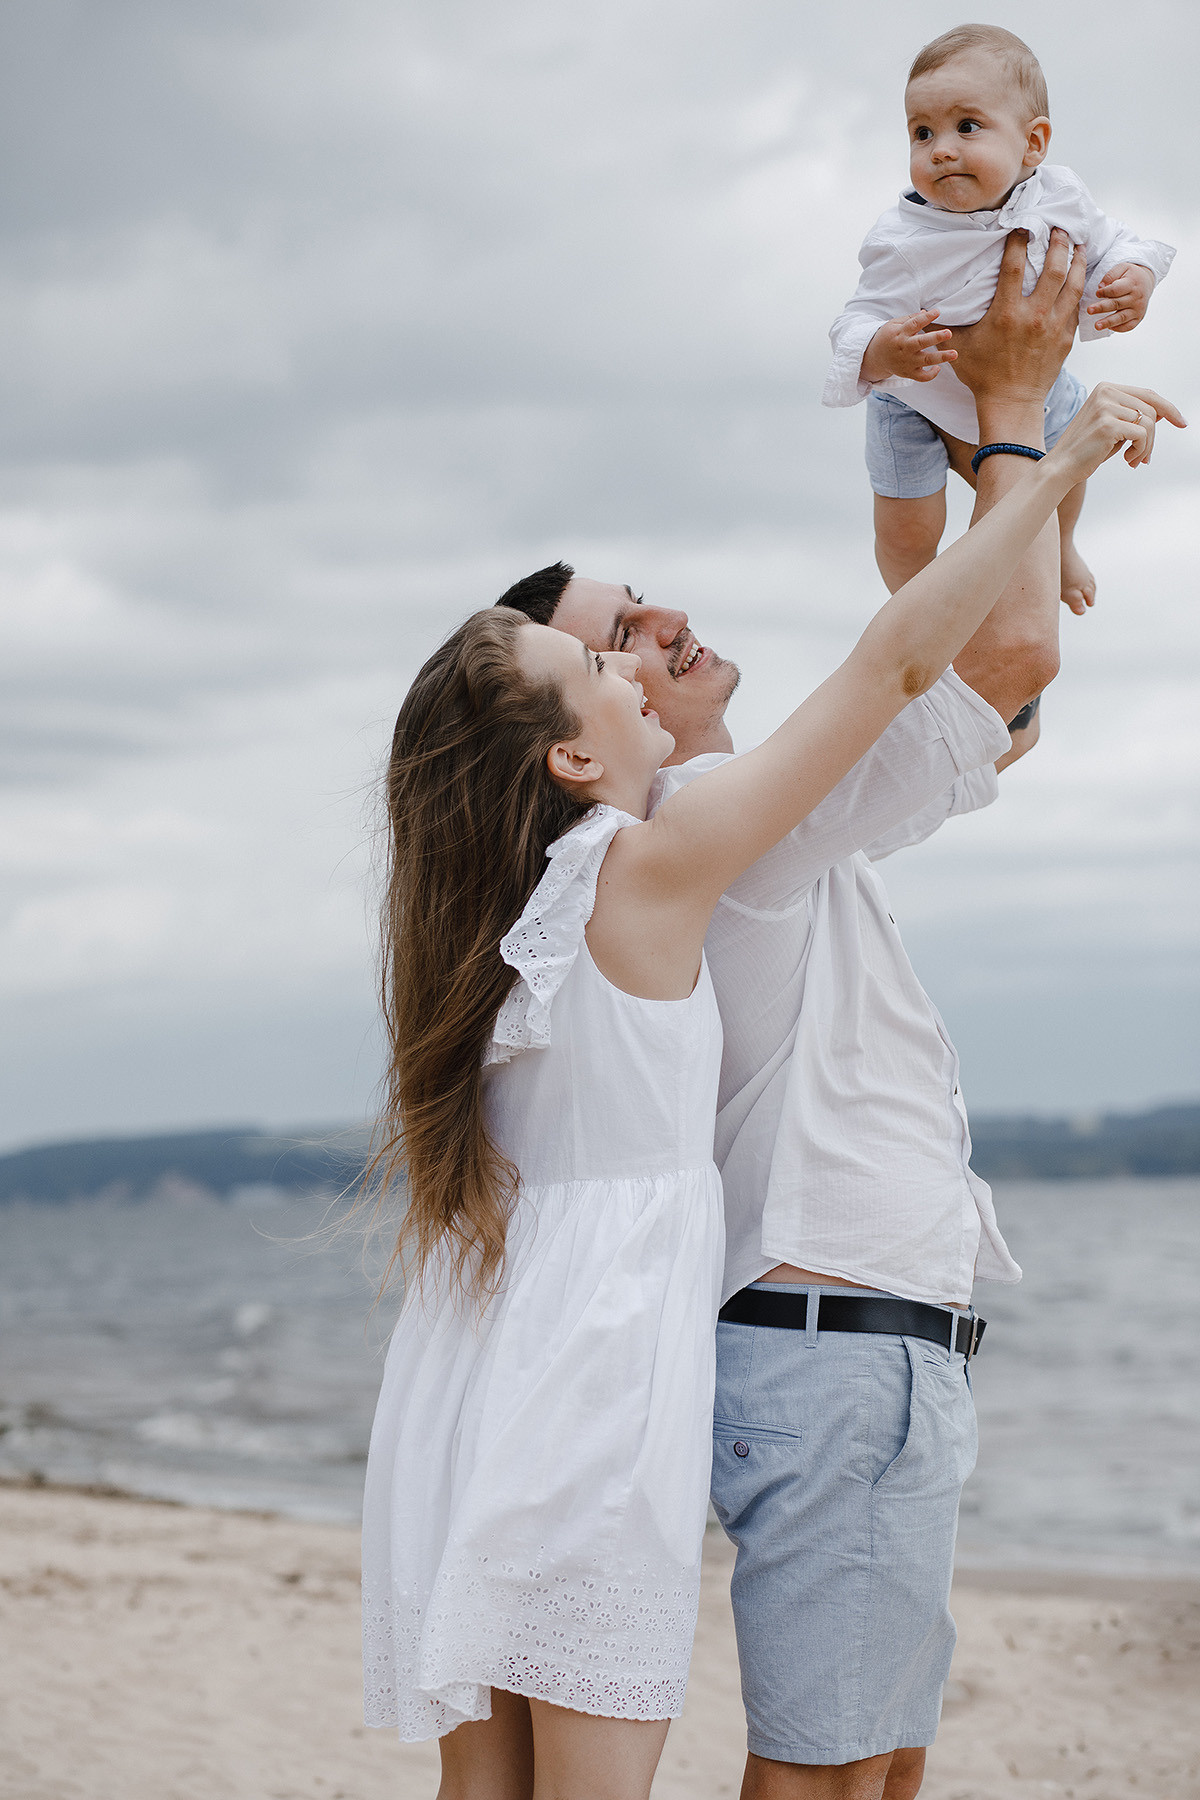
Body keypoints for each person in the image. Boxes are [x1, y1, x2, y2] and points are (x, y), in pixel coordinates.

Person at [360, 350, 1174, 1796]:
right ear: (566, 756)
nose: (640, 655)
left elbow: (980, 693)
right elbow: (920, 664)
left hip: (508, 1366)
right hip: (671, 1372)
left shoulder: (529, 915)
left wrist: (1006, 484)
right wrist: (1043, 452)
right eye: (602, 655)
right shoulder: (675, 849)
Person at [823, 23, 1173, 613]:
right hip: (916, 399)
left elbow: (1119, 241)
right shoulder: (903, 238)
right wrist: (883, 348)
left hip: (1035, 382)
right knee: (907, 528)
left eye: (967, 126)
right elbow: (855, 319)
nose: (940, 148)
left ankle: (1061, 545)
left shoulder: (1060, 197)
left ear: (1033, 144)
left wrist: (1135, 277)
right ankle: (914, 607)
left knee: (1066, 467)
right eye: (921, 132)